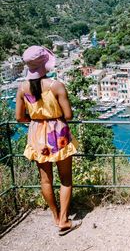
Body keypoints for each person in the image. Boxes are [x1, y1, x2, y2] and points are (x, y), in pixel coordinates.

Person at [15, 45, 81, 236]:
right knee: (66, 179)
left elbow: (19, 117)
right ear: (45, 64)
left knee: (45, 180)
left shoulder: (22, 88)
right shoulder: (56, 85)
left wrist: (37, 121)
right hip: (57, 134)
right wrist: (52, 118)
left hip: (36, 133)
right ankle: (64, 220)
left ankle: (54, 216)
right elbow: (68, 115)